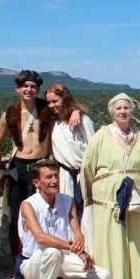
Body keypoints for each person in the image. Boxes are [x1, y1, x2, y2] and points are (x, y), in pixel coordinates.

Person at [19, 159, 111, 279]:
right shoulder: (28, 205)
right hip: (35, 262)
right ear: (36, 182)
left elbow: (77, 232)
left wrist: (81, 249)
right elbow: (41, 237)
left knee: (104, 277)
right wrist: (73, 248)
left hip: (62, 258)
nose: (54, 181)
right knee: (52, 252)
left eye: (56, 176)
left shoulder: (68, 200)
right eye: (48, 177)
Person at [81, 93, 140, 279]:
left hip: (132, 198)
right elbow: (87, 168)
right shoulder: (101, 135)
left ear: (132, 111)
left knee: (132, 244)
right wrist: (91, 197)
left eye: (126, 108)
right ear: (111, 112)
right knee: (108, 246)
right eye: (118, 108)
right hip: (106, 200)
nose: (122, 112)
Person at [0, 70, 53, 257]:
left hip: (41, 166)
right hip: (18, 168)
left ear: (38, 89)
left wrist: (75, 111)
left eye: (33, 86)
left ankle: (43, 256)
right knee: (17, 217)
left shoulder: (47, 110)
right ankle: (19, 261)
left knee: (46, 213)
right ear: (18, 88)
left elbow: (69, 108)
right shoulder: (9, 114)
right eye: (25, 86)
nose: (29, 89)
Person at [45, 83, 94, 223]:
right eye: (49, 102)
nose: (51, 105)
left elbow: (94, 147)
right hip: (65, 175)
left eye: (55, 101)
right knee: (68, 215)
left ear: (64, 99)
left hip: (84, 174)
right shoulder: (54, 124)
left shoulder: (82, 120)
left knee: (86, 216)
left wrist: (77, 111)